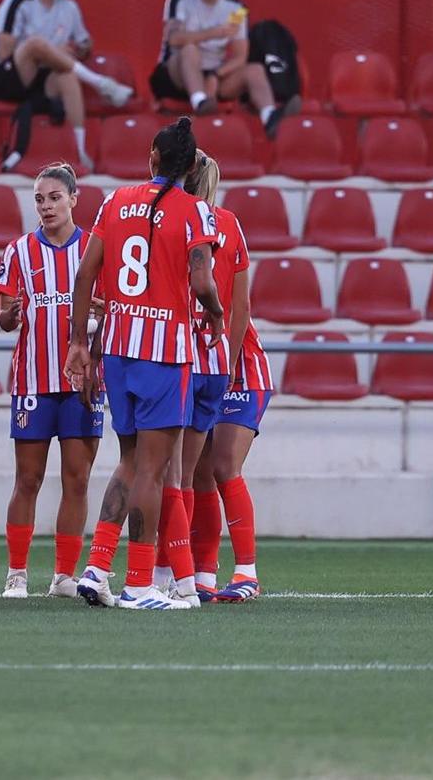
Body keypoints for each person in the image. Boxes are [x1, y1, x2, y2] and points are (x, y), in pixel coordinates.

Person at [64, 116, 223, 610]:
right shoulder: (196, 211)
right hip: (165, 353)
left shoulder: (114, 201)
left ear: (153, 155)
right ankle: (137, 584)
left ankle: (95, 567)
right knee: (154, 471)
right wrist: (215, 313)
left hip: (117, 349)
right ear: (193, 165)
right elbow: (200, 280)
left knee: (130, 462)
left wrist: (78, 343)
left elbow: (86, 273)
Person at [0, 162, 105, 599]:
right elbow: (4, 317)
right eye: (39, 199)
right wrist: (8, 316)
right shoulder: (19, 251)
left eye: (55, 197)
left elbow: (115, 303)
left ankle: (63, 575)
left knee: (76, 479)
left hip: (81, 383)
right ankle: (16, 573)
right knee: (28, 479)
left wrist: (104, 311)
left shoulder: (96, 250)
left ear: (74, 199)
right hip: (33, 381)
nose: (46, 206)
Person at [182, 151, 265, 603]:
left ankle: (247, 572)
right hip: (197, 360)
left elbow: (240, 307)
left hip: (238, 364)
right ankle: (204, 575)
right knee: (198, 475)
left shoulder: (226, 224)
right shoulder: (181, 222)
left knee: (222, 467)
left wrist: (227, 363)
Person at [152, 150, 233, 601]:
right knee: (197, 477)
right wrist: (230, 352)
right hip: (216, 363)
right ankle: (203, 574)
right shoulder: (230, 223)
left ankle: (167, 573)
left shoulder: (170, 218)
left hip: (178, 357)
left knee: (169, 475)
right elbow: (238, 302)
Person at [0, 0, 133, 174]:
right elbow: (5, 51)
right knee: (36, 44)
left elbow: (84, 44)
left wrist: (78, 49)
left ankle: (79, 153)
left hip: (41, 81)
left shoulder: (69, 7)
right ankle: (102, 83)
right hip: (6, 77)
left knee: (67, 76)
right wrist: (52, 50)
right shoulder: (18, 1)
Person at [150, 0, 298, 138]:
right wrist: (214, 32)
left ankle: (270, 117)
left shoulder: (236, 8)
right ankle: (199, 101)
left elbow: (240, 55)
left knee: (254, 69)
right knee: (189, 49)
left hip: (214, 76)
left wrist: (216, 74)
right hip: (176, 75)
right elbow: (174, 39)